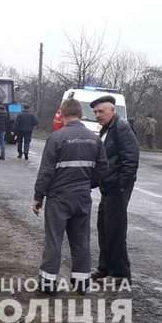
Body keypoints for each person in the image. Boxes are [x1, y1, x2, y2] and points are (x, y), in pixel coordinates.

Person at [32, 98, 108, 295]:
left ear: (63, 114)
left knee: (54, 240)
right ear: (80, 115)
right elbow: (102, 169)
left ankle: (48, 284)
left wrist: (38, 196)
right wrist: (87, 185)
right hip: (82, 197)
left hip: (59, 197)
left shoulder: (56, 138)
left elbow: (46, 171)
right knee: (81, 240)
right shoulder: (95, 139)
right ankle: (82, 283)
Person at [91, 96, 140, 285]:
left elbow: (131, 159)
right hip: (108, 186)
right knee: (104, 227)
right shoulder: (107, 128)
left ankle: (120, 273)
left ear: (112, 110)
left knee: (116, 230)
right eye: (95, 112)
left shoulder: (121, 127)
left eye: (100, 111)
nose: (97, 115)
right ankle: (104, 268)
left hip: (117, 188)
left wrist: (121, 186)